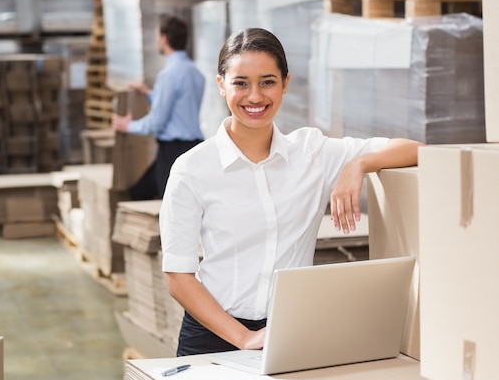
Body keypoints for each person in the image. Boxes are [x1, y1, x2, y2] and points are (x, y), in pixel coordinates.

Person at [159, 28, 422, 357]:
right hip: (212, 335)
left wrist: (358, 164)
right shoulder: (192, 169)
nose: (255, 96)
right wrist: (243, 338)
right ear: (221, 85)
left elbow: (414, 149)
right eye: (241, 83)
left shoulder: (312, 153)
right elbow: (178, 276)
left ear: (285, 83)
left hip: (289, 332)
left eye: (267, 81)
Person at [112, 14, 205, 200]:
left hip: (173, 151)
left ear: (164, 38)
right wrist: (148, 93)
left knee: (172, 205)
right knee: (144, 191)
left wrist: (127, 126)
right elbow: (179, 107)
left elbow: (156, 122)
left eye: (157, 36)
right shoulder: (196, 73)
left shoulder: (169, 75)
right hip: (194, 147)